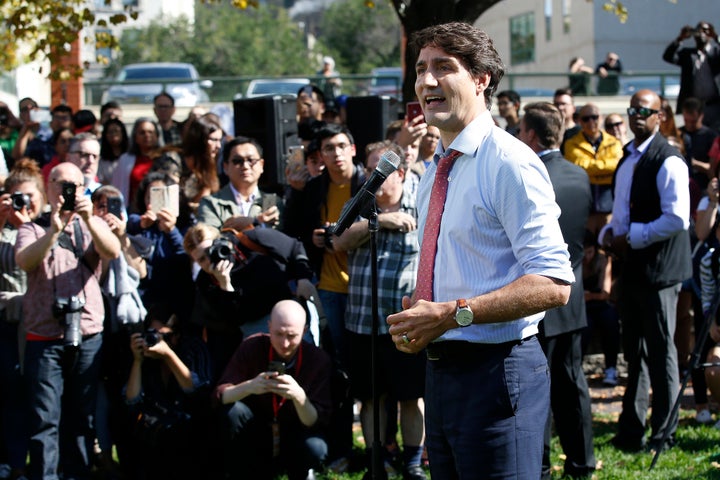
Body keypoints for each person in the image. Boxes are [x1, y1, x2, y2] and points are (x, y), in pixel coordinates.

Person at [385, 22, 573, 479]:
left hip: (498, 374)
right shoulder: (435, 169)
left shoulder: (509, 161)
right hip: (442, 374)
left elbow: (553, 284)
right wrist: (421, 314)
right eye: (420, 69)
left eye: (443, 68)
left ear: (481, 79)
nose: (427, 81)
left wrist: (452, 313)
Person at [15, 162, 121, 479]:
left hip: (87, 334)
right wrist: (54, 231)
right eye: (61, 184)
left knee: (82, 417)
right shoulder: (31, 228)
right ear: (49, 189)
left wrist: (88, 218)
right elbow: (24, 260)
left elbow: (112, 251)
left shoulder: (92, 225)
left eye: (75, 184)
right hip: (45, 337)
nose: (67, 190)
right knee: (45, 419)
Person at [600, 89, 691, 452]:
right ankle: (632, 429)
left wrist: (632, 237)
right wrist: (610, 233)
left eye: (644, 110)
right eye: (632, 110)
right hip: (633, 268)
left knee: (661, 352)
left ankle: (663, 433)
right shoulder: (628, 157)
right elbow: (620, 211)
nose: (637, 116)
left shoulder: (668, 159)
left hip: (660, 271)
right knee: (634, 352)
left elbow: (678, 218)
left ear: (660, 115)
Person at [333, 141, 427, 480]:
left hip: (407, 322)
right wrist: (382, 220)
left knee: (411, 397)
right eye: (370, 171)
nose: (372, 179)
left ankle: (414, 461)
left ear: (399, 173)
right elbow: (338, 240)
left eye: (380, 172)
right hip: (363, 320)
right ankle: (379, 458)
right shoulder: (361, 202)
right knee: (372, 398)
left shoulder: (423, 198)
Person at [518, 102, 595, 479]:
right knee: (573, 383)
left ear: (530, 134)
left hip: (539, 294)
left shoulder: (529, 175)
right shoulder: (579, 174)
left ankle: (542, 466)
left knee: (538, 391)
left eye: (520, 130)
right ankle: (582, 462)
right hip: (574, 296)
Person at [215, 299, 332, 480]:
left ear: (305, 331)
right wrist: (250, 386)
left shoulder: (317, 360)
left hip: (294, 434)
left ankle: (302, 472)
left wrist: (299, 397)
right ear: (269, 327)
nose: (284, 344)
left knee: (316, 447)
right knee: (232, 411)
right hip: (256, 431)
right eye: (278, 334)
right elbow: (221, 396)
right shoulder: (252, 346)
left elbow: (314, 421)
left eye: (292, 336)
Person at [184, 222, 315, 380]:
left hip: (286, 310)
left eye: (210, 250)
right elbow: (232, 321)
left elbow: (294, 247)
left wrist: (303, 278)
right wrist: (225, 284)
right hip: (254, 327)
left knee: (307, 367)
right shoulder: (206, 282)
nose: (210, 259)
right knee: (273, 376)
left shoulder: (250, 240)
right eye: (201, 259)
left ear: (221, 240)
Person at [125, 304, 212, 479]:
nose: (155, 340)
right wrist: (137, 361)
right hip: (153, 424)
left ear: (177, 335)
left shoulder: (194, 349)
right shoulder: (144, 355)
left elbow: (195, 390)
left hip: (189, 423)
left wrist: (168, 355)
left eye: (163, 336)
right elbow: (131, 400)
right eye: (152, 333)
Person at [0, 159, 46, 480]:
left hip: (42, 324)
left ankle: (44, 465)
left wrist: (27, 227)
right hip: (5, 324)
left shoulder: (49, 230)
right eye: (15, 197)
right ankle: (14, 465)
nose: (22, 205)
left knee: (41, 399)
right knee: (10, 395)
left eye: (28, 197)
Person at [196, 136, 281, 231]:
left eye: (251, 160)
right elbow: (208, 240)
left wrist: (253, 222)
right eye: (237, 161)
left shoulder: (274, 203)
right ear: (225, 167)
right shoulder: (211, 203)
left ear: (261, 165)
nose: (245, 166)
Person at [563, 103, 623, 235]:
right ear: (579, 121)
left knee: (608, 245)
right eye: (586, 118)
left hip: (609, 206)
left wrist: (591, 169)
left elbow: (617, 165)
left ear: (601, 118)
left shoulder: (614, 142)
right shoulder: (571, 144)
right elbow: (577, 166)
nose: (591, 122)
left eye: (594, 117)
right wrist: (605, 172)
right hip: (584, 207)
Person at [663, 22, 720, 130]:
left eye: (705, 31)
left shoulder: (716, 53)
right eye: (699, 31)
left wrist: (717, 37)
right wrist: (680, 38)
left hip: (714, 105)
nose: (702, 34)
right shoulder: (688, 54)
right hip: (693, 106)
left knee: (714, 135)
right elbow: (668, 56)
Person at [582, 229, 621, 386]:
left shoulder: (603, 259)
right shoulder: (576, 261)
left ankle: (611, 367)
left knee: (610, 321)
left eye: (590, 252)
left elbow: (605, 292)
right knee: (584, 327)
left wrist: (589, 295)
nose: (587, 257)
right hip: (583, 307)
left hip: (601, 304)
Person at [111, 117, 162, 210]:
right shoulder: (125, 160)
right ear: (135, 138)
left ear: (157, 136)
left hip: (158, 209)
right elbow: (116, 188)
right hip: (132, 210)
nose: (147, 135)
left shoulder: (165, 159)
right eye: (142, 132)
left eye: (151, 132)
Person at [180, 116, 221, 211]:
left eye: (220, 140)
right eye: (214, 140)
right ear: (199, 140)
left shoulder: (208, 164)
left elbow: (204, 199)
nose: (218, 146)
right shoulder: (174, 160)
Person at [680, 97, 719, 192]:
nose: (689, 125)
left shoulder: (711, 136)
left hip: (703, 186)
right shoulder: (678, 134)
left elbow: (714, 168)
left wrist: (694, 163)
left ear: (701, 116)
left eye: (693, 122)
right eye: (686, 120)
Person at [98, 117, 129, 185]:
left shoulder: (130, 156)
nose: (113, 134)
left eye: (116, 131)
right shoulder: (101, 160)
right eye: (110, 132)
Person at [554, 88, 580, 152]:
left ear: (573, 108)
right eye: (557, 104)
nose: (560, 107)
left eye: (563, 104)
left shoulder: (580, 133)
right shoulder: (548, 132)